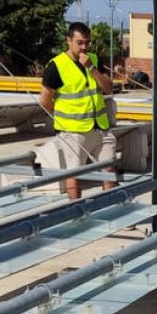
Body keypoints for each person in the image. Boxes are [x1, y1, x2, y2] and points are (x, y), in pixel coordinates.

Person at [40, 22, 116, 199]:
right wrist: (62, 119)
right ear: (68, 40)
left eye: (87, 43)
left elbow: (108, 88)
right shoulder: (56, 66)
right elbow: (44, 100)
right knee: (74, 174)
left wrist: (91, 67)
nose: (84, 47)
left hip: (99, 127)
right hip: (73, 131)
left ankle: (113, 209)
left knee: (109, 170)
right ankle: (75, 214)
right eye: (80, 42)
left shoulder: (94, 60)